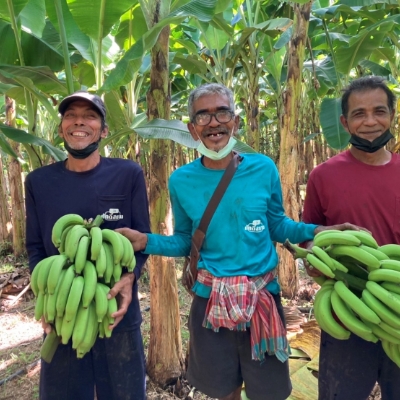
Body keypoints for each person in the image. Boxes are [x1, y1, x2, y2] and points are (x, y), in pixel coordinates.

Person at [117, 83, 356, 400]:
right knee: (223, 391)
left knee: (268, 393)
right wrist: (144, 241)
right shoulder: (181, 180)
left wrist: (314, 232)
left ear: (236, 121)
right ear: (192, 128)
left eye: (222, 113)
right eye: (203, 115)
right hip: (210, 302)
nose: (213, 122)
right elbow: (186, 243)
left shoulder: (262, 168)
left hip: (262, 299)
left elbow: (276, 224)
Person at [25, 91, 151, 400]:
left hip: (115, 308)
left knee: (125, 393)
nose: (79, 121)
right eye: (70, 115)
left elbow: (143, 240)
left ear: (104, 130)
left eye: (90, 115)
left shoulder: (127, 174)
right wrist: (47, 296)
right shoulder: (38, 182)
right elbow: (35, 248)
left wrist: (130, 278)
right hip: (66, 308)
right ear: (61, 129)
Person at [302, 76, 400, 400]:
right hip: (347, 313)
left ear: (392, 115)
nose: (370, 122)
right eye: (359, 114)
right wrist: (313, 260)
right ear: (344, 122)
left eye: (379, 111)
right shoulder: (322, 176)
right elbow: (310, 238)